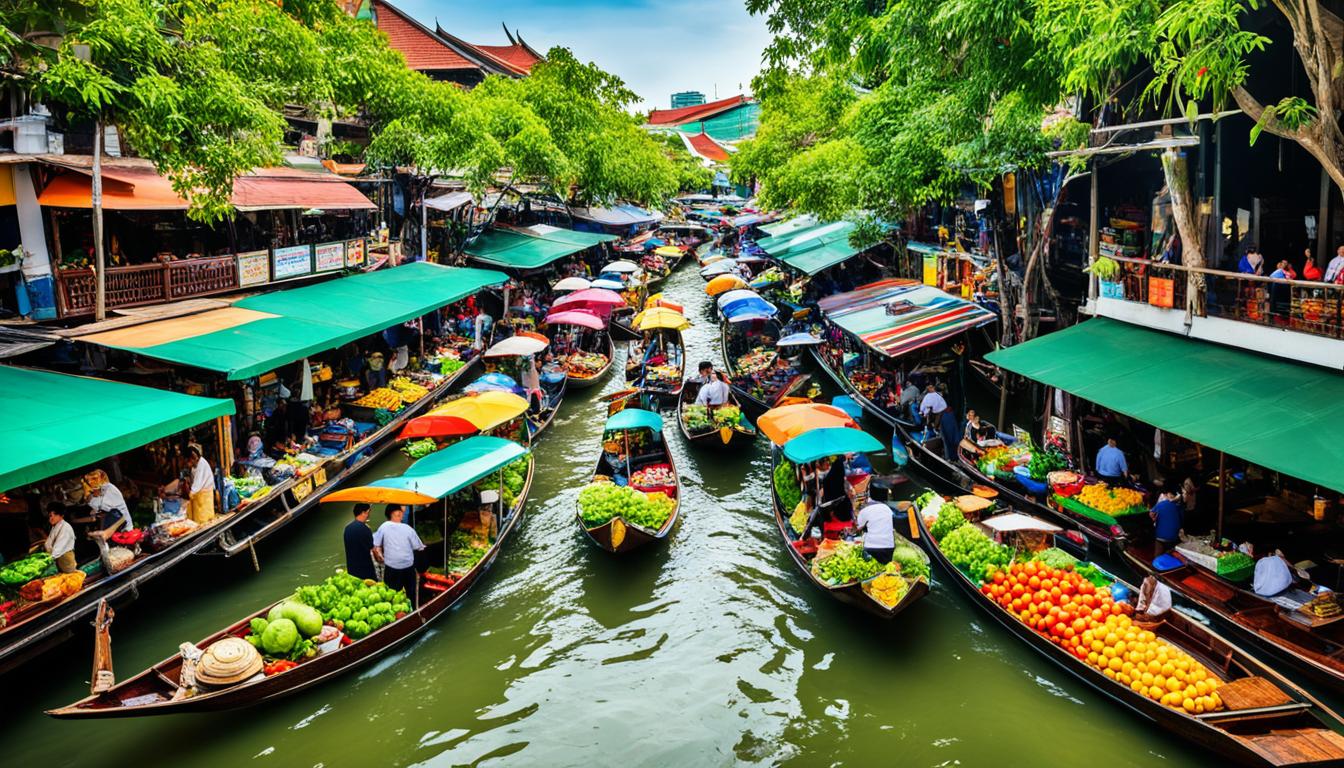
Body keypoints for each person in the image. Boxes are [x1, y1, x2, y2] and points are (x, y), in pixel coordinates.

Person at [373, 504, 425, 605]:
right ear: (396, 514)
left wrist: (380, 556)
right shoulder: (408, 529)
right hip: (407, 568)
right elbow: (418, 547)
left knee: (392, 595)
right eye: (401, 512)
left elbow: (376, 545)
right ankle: (413, 611)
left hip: (391, 568)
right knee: (411, 594)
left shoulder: (383, 527)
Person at [80, 470, 131, 541]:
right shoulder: (93, 497)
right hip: (107, 529)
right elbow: (101, 515)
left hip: (120, 530)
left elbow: (121, 516)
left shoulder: (110, 491)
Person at [854, 485, 895, 564]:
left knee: (870, 566)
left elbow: (857, 528)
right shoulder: (888, 509)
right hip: (889, 547)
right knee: (886, 569)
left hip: (872, 547)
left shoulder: (865, 510)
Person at [343, 503, 377, 580]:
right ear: (363, 513)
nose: (369, 514)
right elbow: (372, 548)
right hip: (365, 569)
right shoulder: (366, 529)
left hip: (352, 568)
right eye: (368, 512)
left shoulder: (347, 528)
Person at [186, 444, 216, 525]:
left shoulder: (201, 464)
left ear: (192, 458)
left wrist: (191, 493)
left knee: (204, 520)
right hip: (201, 494)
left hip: (205, 495)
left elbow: (197, 483)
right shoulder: (195, 465)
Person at [44, 503, 77, 574]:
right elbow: (48, 542)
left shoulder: (65, 527)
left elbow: (59, 546)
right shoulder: (55, 526)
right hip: (56, 557)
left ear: (61, 516)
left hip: (65, 558)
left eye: (55, 515)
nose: (51, 518)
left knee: (68, 577)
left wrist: (48, 560)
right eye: (50, 516)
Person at [1150, 485, 1184, 554]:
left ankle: (1157, 562)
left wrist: (1154, 519)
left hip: (1160, 536)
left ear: (1169, 494)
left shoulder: (1161, 504)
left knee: (1158, 555)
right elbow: (1181, 519)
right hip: (1173, 537)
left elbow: (1151, 513)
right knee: (1170, 554)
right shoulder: (1179, 507)